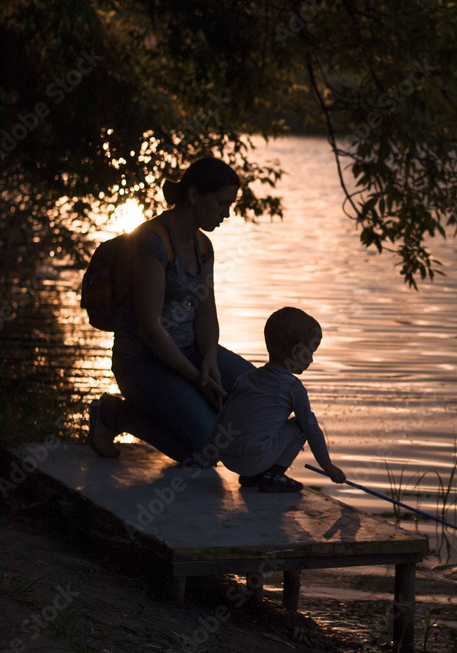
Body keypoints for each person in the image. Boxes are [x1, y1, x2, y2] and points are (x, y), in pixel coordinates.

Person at [88, 157, 255, 466]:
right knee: (206, 451)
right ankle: (114, 415)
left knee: (260, 397)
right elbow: (149, 329)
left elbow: (206, 312)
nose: (227, 214)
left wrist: (208, 359)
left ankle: (195, 416)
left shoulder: (203, 246)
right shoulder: (151, 241)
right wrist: (197, 379)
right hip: (141, 361)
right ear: (193, 196)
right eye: (221, 203)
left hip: (191, 352)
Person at [213, 306, 346, 492]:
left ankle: (254, 476)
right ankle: (272, 476)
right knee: (301, 426)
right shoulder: (293, 387)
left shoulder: (247, 378)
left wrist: (212, 449)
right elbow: (312, 429)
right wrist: (328, 466)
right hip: (254, 459)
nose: (312, 360)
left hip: (226, 456)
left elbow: (224, 415)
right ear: (298, 351)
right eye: (311, 353)